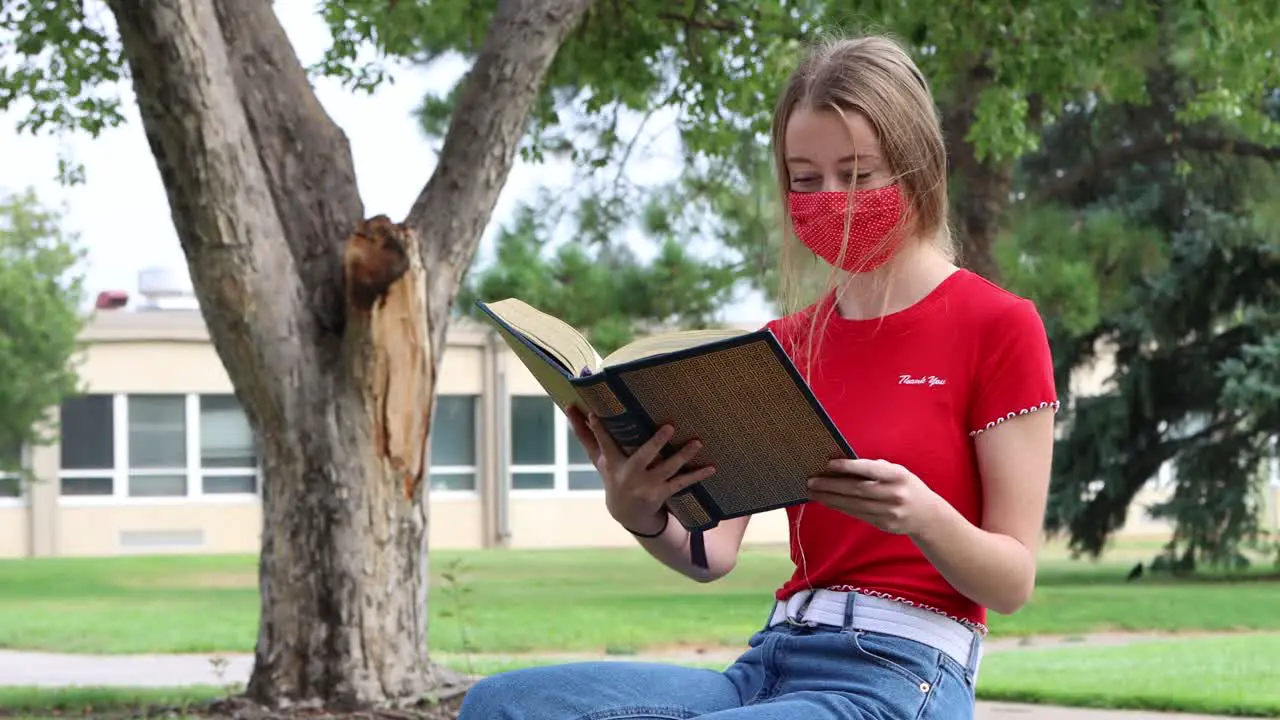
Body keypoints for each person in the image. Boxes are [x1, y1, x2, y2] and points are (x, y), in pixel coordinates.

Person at [458, 32, 1057, 720]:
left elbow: (1011, 582)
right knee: (503, 705)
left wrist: (922, 516)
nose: (830, 198)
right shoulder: (786, 344)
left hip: (904, 671)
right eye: (804, 179)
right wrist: (640, 514)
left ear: (916, 167)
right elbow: (712, 553)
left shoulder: (999, 327)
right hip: (770, 662)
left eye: (857, 175)